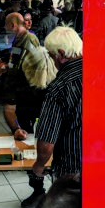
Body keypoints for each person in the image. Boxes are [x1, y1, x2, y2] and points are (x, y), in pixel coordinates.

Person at [2, 12, 56, 208]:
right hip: (24, 102)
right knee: (28, 146)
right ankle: (37, 189)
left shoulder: (30, 40)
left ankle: (54, 190)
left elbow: (38, 70)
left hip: (39, 102)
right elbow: (15, 67)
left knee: (47, 145)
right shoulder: (18, 42)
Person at [32, 27, 83, 181]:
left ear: (61, 55)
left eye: (51, 56)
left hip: (71, 169)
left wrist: (39, 165)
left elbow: (47, 143)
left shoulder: (59, 87)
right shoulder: (102, 74)